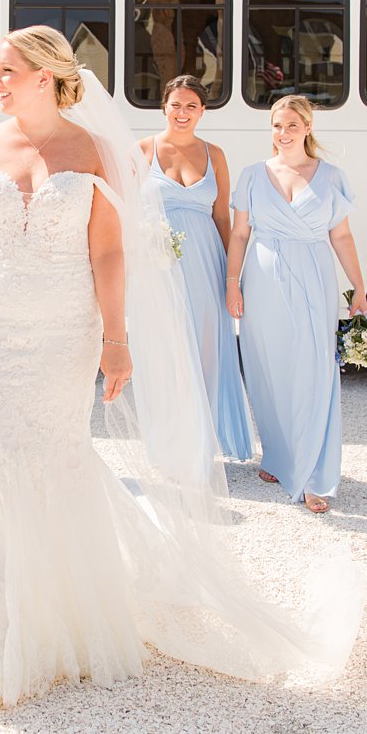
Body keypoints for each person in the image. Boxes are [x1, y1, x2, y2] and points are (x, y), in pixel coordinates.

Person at [0, 27, 366, 711]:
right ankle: (4, 627)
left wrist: (116, 340)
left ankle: (69, 614)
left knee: (58, 455)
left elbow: (109, 255)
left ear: (42, 75)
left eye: (5, 71)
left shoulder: (93, 151)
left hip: (64, 331)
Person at [226, 95, 367, 513]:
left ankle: (313, 474)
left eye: (291, 125)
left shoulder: (331, 176)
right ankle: (278, 455)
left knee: (313, 370)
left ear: (307, 128)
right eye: (276, 126)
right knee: (269, 367)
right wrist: (233, 284)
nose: (283, 134)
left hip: (313, 276)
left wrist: (358, 288)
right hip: (264, 277)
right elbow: (238, 236)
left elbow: (341, 237)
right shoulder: (253, 175)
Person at [138, 75, 253, 461]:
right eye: (176, 105)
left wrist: (233, 275)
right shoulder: (142, 151)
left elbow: (223, 217)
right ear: (163, 107)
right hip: (159, 267)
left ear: (202, 110)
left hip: (206, 262)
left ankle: (203, 442)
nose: (182, 113)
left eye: (191, 106)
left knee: (205, 350)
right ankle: (170, 444)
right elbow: (123, 212)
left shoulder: (215, 154)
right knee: (167, 351)